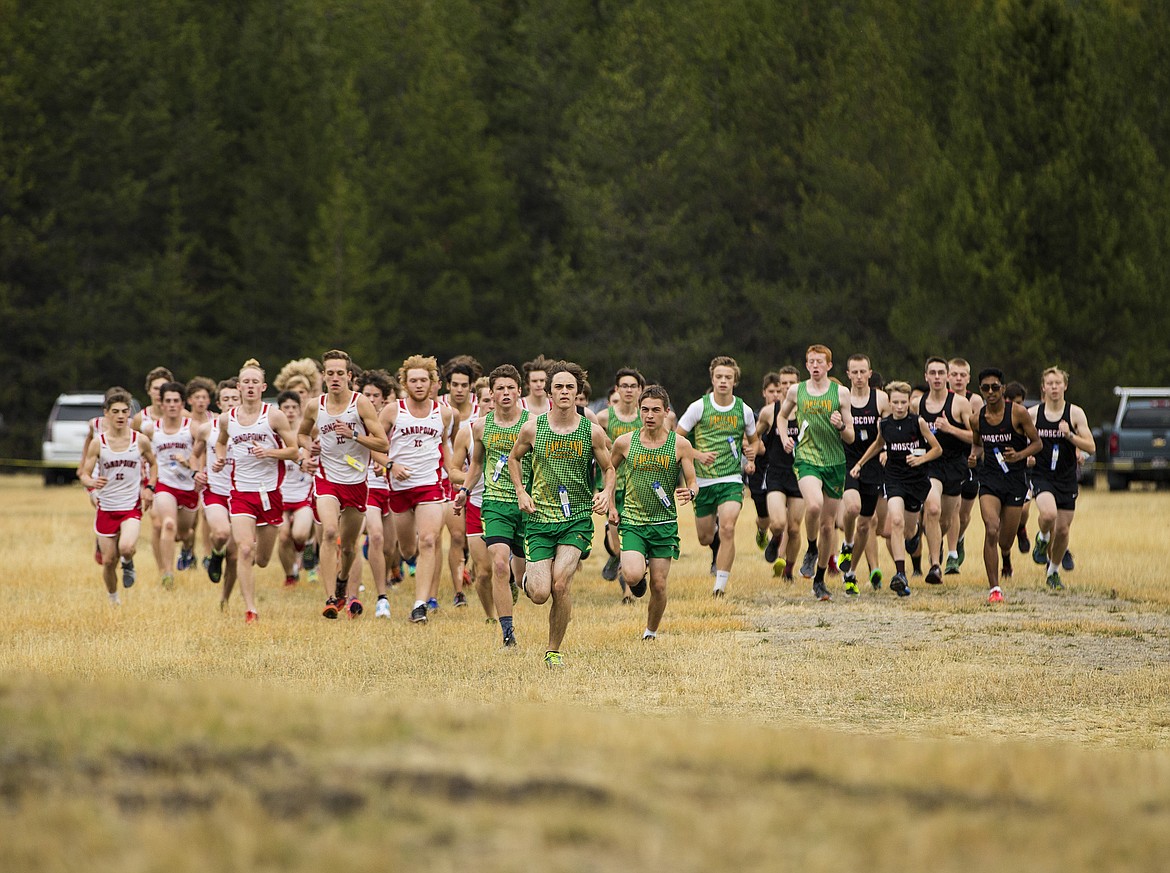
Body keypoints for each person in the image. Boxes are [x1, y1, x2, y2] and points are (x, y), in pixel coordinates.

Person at [508, 361, 615, 667]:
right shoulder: (533, 428)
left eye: (570, 387)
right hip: (540, 520)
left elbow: (609, 469)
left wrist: (605, 493)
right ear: (549, 391)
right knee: (540, 593)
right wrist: (520, 491)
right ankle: (527, 578)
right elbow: (514, 459)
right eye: (559, 387)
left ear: (578, 391)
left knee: (560, 584)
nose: (565, 392)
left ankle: (553, 650)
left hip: (576, 519)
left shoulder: (591, 431)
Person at [298, 350, 390, 619]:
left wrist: (355, 435)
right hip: (327, 479)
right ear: (324, 376)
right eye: (330, 373)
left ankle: (342, 581)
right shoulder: (316, 405)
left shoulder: (360, 404)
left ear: (349, 376)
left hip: (357, 481)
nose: (335, 378)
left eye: (340, 373)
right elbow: (301, 435)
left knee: (349, 547)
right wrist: (309, 447)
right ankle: (329, 599)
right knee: (328, 533)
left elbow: (383, 443)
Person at [606, 385, 698, 639]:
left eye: (656, 410)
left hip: (664, 523)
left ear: (666, 412)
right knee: (633, 574)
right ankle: (636, 576)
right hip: (634, 521)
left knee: (658, 585)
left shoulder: (680, 445)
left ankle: (650, 632)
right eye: (644, 410)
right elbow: (609, 472)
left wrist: (689, 493)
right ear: (639, 411)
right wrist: (610, 503)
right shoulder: (624, 442)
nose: (649, 415)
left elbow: (692, 482)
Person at [213, 359, 300, 623]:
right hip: (241, 492)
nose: (250, 387)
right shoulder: (227, 418)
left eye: (255, 382)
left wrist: (269, 452)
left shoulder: (273, 415)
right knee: (244, 549)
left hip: (270, 492)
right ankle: (251, 609)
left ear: (262, 386)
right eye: (245, 382)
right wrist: (219, 458)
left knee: (261, 559)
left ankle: (239, 583)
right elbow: (220, 443)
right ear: (239, 387)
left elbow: (294, 450)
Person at [454, 364, 530, 647]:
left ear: (519, 392)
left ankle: (519, 582)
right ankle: (507, 633)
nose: (506, 393)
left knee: (531, 586)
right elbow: (475, 465)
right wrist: (464, 490)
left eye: (511, 388)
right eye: (500, 388)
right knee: (499, 564)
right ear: (491, 394)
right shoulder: (481, 427)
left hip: (529, 505)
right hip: (495, 504)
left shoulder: (534, 423)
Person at [381, 355, 457, 624]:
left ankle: (419, 605)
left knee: (428, 540)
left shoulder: (444, 413)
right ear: (405, 383)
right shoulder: (392, 411)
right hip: (400, 487)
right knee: (407, 549)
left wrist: (456, 475)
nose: (419, 384)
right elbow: (376, 448)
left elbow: (445, 448)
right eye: (413, 380)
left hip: (430, 485)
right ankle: (404, 564)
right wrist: (391, 465)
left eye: (424, 380)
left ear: (433, 382)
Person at [674, 356, 759, 597]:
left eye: (728, 378)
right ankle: (716, 543)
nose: (723, 381)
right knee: (704, 537)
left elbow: (755, 442)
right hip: (702, 483)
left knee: (729, 528)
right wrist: (698, 455)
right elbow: (676, 440)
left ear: (735, 381)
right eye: (719, 377)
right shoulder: (699, 407)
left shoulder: (744, 409)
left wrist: (751, 455)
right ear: (712, 379)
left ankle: (719, 586)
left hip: (731, 479)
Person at [776, 345, 855, 601]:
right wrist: (784, 437)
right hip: (807, 458)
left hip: (834, 462)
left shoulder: (841, 393)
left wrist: (841, 425)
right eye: (811, 362)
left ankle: (820, 579)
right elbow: (782, 416)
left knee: (828, 526)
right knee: (813, 506)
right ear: (807, 365)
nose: (816, 366)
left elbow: (851, 437)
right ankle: (811, 549)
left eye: (820, 362)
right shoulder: (796, 390)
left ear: (829, 366)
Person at [849, 382, 941, 597]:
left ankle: (916, 532)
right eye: (895, 403)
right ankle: (901, 575)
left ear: (909, 402)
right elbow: (877, 444)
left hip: (916, 480)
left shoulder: (918, 423)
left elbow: (937, 449)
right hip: (893, 479)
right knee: (896, 521)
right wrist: (859, 464)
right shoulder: (885, 424)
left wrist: (921, 459)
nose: (899, 406)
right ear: (889, 403)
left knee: (908, 530)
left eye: (903, 402)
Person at [969, 368, 1042, 603]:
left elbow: (1038, 443)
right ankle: (994, 589)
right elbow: (978, 446)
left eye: (995, 387)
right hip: (989, 479)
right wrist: (974, 456)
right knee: (991, 527)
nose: (990, 392)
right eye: (985, 388)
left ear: (1002, 388)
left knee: (1004, 540)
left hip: (1014, 481)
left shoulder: (1018, 414)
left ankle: (1007, 555)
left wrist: (1019, 455)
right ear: (980, 391)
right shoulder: (977, 419)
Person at [78, 389, 158, 603]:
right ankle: (113, 598)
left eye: (125, 411)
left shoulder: (139, 440)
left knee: (126, 547)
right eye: (116, 412)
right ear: (107, 414)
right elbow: (84, 474)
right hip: (106, 508)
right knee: (108, 561)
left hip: (131, 507)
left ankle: (129, 561)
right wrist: (92, 482)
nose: (121, 416)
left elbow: (153, 465)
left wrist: (150, 488)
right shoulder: (99, 443)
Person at [1028, 367, 1096, 590]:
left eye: (1058, 383)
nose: (1054, 387)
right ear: (1043, 387)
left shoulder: (1075, 414)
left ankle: (1053, 571)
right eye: (1050, 383)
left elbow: (1091, 447)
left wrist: (1070, 436)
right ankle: (1042, 538)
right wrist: (1025, 457)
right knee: (1048, 514)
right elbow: (1021, 442)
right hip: (1042, 474)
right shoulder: (1034, 414)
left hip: (1066, 477)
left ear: (1065, 386)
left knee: (1064, 530)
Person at [913, 357, 975, 584]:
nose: (937, 377)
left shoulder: (959, 404)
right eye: (933, 373)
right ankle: (935, 566)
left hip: (955, 465)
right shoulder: (917, 405)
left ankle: (935, 542)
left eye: (941, 373)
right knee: (932, 507)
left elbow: (974, 436)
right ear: (926, 376)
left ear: (946, 376)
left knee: (946, 520)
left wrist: (950, 428)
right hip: (930, 464)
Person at [138, 381, 199, 588]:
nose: (172, 405)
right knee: (168, 524)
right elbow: (138, 452)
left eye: (176, 401)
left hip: (189, 487)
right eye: (168, 401)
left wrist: (192, 465)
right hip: (164, 484)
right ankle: (167, 573)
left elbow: (203, 453)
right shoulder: (149, 429)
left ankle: (188, 548)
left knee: (184, 533)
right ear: (161, 404)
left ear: (182, 404)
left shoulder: (192, 428)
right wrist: (145, 483)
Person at [838, 354, 890, 597]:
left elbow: (889, 433)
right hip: (846, 461)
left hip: (871, 463)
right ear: (848, 374)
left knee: (865, 525)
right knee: (852, 508)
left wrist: (887, 450)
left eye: (863, 372)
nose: (859, 377)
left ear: (870, 373)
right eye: (854, 372)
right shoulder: (840, 398)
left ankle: (850, 573)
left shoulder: (881, 399)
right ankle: (846, 545)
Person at [191, 378, 241, 607]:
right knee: (221, 534)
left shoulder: (251, 429)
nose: (230, 403)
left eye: (235, 399)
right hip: (215, 492)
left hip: (242, 493)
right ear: (219, 403)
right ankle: (215, 553)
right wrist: (196, 473)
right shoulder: (206, 429)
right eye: (226, 399)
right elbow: (195, 455)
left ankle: (225, 599)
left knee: (235, 555)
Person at [596, 368, 646, 595]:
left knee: (634, 534)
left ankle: (629, 589)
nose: (628, 390)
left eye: (633, 386)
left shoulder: (646, 417)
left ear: (640, 390)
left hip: (639, 485)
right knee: (616, 540)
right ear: (617, 389)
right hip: (612, 483)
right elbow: (595, 445)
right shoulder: (605, 417)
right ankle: (617, 559)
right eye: (624, 386)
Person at [354, 369, 398, 617]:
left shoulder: (394, 419)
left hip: (392, 489)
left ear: (384, 399)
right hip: (368, 485)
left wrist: (390, 465)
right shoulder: (355, 420)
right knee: (377, 537)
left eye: (375, 395)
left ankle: (389, 570)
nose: (370, 399)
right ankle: (382, 598)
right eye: (366, 394)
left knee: (391, 548)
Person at [753, 367, 804, 579]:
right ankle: (774, 540)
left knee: (794, 529)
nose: (787, 386)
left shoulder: (805, 410)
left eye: (792, 382)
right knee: (778, 523)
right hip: (775, 473)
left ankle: (789, 571)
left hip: (800, 475)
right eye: (784, 383)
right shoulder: (769, 412)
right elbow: (753, 435)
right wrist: (753, 454)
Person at [275, 390, 316, 589]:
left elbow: (307, 456)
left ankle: (303, 551)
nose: (290, 411)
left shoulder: (304, 433)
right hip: (281, 494)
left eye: (294, 407)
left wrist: (306, 462)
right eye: (286, 408)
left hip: (303, 492)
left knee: (299, 535)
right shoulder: (274, 434)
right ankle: (290, 574)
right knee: (283, 537)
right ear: (280, 410)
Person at [948, 358, 982, 568]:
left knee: (965, 512)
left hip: (969, 460)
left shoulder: (975, 401)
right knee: (951, 508)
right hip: (947, 461)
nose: (959, 379)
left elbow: (978, 434)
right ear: (947, 376)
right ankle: (950, 549)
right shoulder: (939, 399)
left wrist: (975, 455)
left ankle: (959, 538)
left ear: (969, 378)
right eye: (955, 374)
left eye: (963, 375)